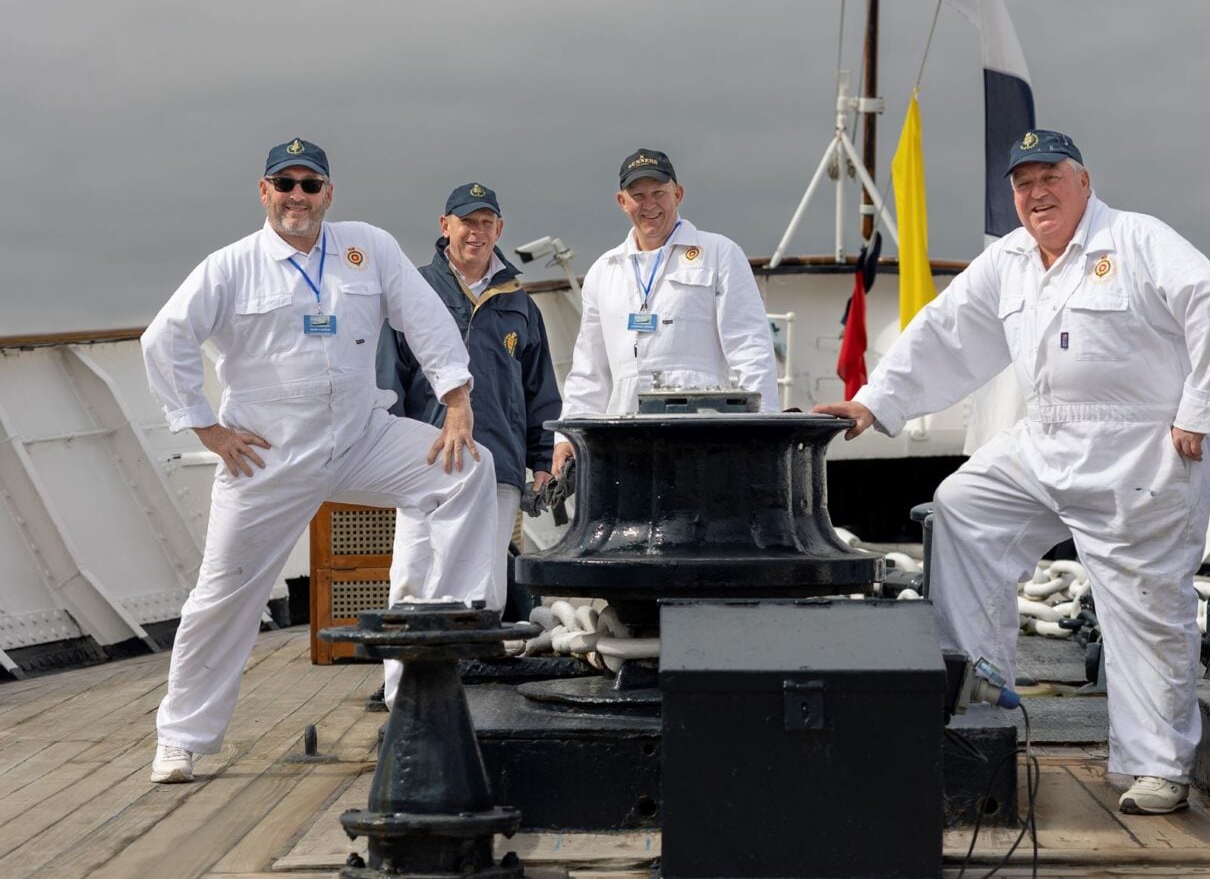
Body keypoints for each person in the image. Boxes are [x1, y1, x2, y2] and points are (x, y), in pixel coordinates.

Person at [815, 129, 1210, 815]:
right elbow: (943, 333)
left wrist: (1201, 408)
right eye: (1023, 184)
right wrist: (872, 405)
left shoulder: (1134, 239)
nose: (1037, 193)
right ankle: (982, 703)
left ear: (1083, 181)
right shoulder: (1011, 260)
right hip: (1045, 439)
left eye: (1050, 178)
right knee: (962, 509)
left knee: (1145, 607)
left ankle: (1156, 765)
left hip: (1138, 448)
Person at [141, 138, 497, 783]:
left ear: (328, 194)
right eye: (286, 184)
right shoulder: (232, 266)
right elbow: (164, 340)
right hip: (269, 459)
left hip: (361, 436)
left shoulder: (369, 246)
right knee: (223, 597)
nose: (297, 196)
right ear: (265, 192)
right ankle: (181, 737)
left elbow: (424, 319)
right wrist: (205, 428)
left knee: (466, 469)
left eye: (311, 185)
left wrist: (457, 400)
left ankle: (434, 655)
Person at [376, 181, 562, 704]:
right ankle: (403, 700)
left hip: (497, 465)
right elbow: (389, 378)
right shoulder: (413, 291)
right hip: (424, 460)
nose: (476, 232)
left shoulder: (520, 305)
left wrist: (542, 459)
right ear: (445, 226)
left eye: (486, 223)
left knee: (483, 589)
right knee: (413, 578)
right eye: (466, 221)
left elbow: (538, 390)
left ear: (499, 230)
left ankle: (463, 700)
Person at [552, 148, 778, 474]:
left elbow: (750, 347)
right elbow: (589, 369)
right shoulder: (604, 270)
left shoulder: (719, 253)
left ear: (678, 193)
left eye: (659, 193)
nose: (650, 205)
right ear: (622, 201)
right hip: (624, 439)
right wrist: (566, 435)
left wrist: (766, 425)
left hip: (704, 436)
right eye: (638, 195)